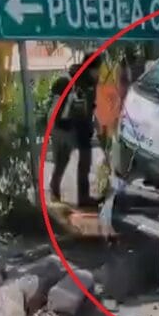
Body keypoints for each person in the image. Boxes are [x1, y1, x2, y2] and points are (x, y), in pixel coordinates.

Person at [49, 53, 102, 207]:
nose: (98, 73)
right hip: (66, 126)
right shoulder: (73, 80)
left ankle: (82, 197)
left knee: (83, 162)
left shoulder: (89, 82)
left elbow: (90, 107)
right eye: (97, 69)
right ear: (92, 68)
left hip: (77, 126)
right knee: (63, 160)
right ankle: (56, 190)